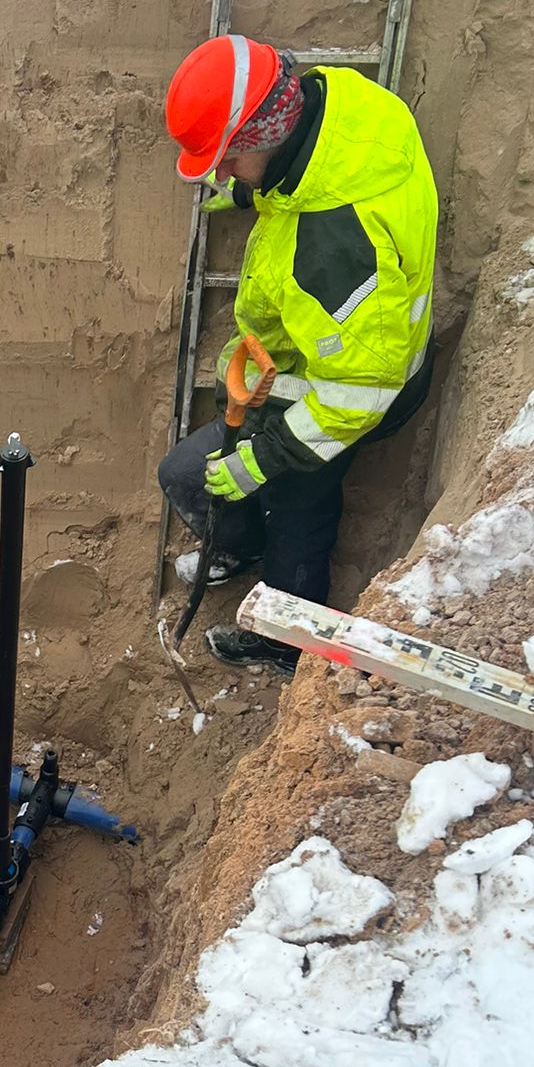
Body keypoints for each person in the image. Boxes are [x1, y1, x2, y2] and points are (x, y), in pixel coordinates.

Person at [158, 35, 438, 674]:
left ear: (262, 136)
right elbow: (308, 174)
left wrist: (266, 458)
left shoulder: (333, 253)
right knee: (199, 474)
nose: (222, 175)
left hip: (361, 392)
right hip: (344, 355)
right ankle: (246, 545)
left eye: (228, 161)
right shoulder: (340, 104)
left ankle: (286, 641)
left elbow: (355, 398)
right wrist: (254, 192)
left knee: (293, 496)